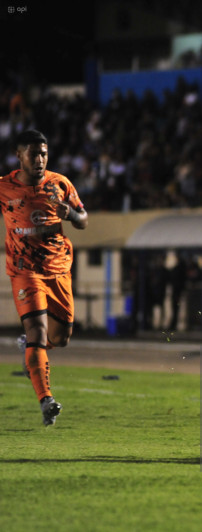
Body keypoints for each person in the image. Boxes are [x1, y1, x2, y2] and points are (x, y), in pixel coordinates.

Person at [0, 130, 88, 425]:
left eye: (44, 153)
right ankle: (46, 400)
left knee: (60, 339)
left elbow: (84, 220)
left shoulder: (59, 183)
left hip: (59, 268)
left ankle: (31, 350)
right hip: (25, 270)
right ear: (19, 155)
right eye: (34, 153)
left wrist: (71, 216)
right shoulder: (4, 187)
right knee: (37, 331)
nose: (39, 159)